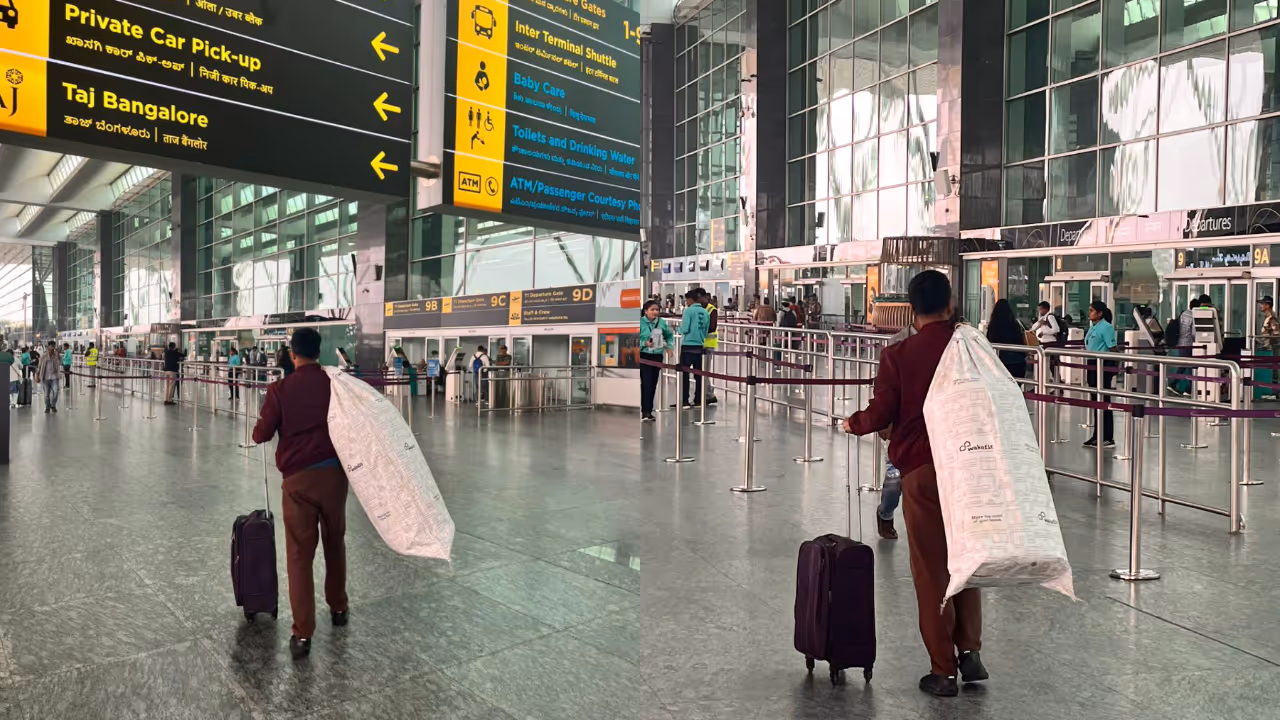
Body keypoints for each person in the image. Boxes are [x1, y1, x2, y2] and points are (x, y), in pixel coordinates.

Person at [842, 270, 985, 697]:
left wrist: (854, 423)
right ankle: (971, 651)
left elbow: (883, 411)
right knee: (967, 558)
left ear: (911, 307)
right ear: (951, 303)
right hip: (968, 465)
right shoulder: (971, 349)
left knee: (930, 569)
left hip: (923, 470)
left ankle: (943, 670)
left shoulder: (900, 355)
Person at [251, 328, 349, 660]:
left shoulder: (279, 389)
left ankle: (303, 634)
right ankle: (339, 608)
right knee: (335, 542)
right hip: (335, 476)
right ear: (318, 352)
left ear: (293, 354)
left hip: (298, 482)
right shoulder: (335, 384)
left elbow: (261, 434)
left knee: (299, 555)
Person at [1083, 300, 1117, 449]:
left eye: (1092, 310)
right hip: (1092, 364)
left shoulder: (1106, 327)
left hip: (1102, 365)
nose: (1089, 313)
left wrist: (1116, 366)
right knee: (1095, 401)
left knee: (1103, 400)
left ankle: (1107, 436)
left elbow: (1113, 348)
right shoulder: (1093, 327)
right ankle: (1097, 435)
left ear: (1100, 313)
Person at [640, 299, 674, 421]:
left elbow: (669, 336)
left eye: (657, 310)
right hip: (644, 356)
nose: (655, 312)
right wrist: (643, 344)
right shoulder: (640, 323)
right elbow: (631, 340)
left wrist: (669, 348)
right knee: (647, 383)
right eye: (652, 309)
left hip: (657, 356)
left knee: (653, 384)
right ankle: (646, 411)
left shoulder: (662, 323)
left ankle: (649, 411)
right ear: (645, 311)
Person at [675, 290, 710, 408]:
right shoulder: (705, 312)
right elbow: (705, 332)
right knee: (698, 374)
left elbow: (685, 329)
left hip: (687, 346)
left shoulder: (688, 311)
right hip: (699, 346)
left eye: (686, 300)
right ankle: (698, 400)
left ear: (690, 300)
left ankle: (684, 400)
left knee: (684, 374)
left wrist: (677, 330)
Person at [985, 299, 1027, 378]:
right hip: (1018, 361)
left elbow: (989, 342)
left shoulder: (993, 326)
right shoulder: (1016, 324)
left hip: (1000, 362)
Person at [699, 289, 719, 405]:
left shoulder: (712, 309)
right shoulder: (698, 309)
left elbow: (712, 327)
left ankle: (709, 395)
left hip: (708, 344)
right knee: (700, 371)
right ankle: (707, 393)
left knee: (704, 371)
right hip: (699, 343)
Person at [37, 341, 61, 413]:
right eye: (51, 346)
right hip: (45, 377)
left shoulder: (56, 355)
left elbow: (61, 363)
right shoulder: (43, 356)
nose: (52, 348)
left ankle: (53, 405)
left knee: (56, 392)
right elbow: (39, 366)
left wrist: (59, 355)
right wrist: (37, 375)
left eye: (53, 346)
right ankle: (47, 406)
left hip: (55, 377)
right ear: (48, 347)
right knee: (46, 394)